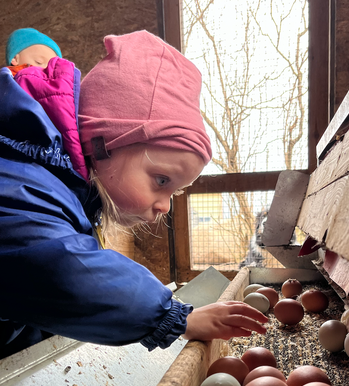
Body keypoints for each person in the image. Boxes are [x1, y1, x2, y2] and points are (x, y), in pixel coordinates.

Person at [0, 30, 268, 359]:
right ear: (104, 144)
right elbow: (56, 267)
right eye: (160, 180)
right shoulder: (22, 178)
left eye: (175, 191)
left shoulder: (58, 179)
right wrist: (176, 317)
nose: (165, 206)